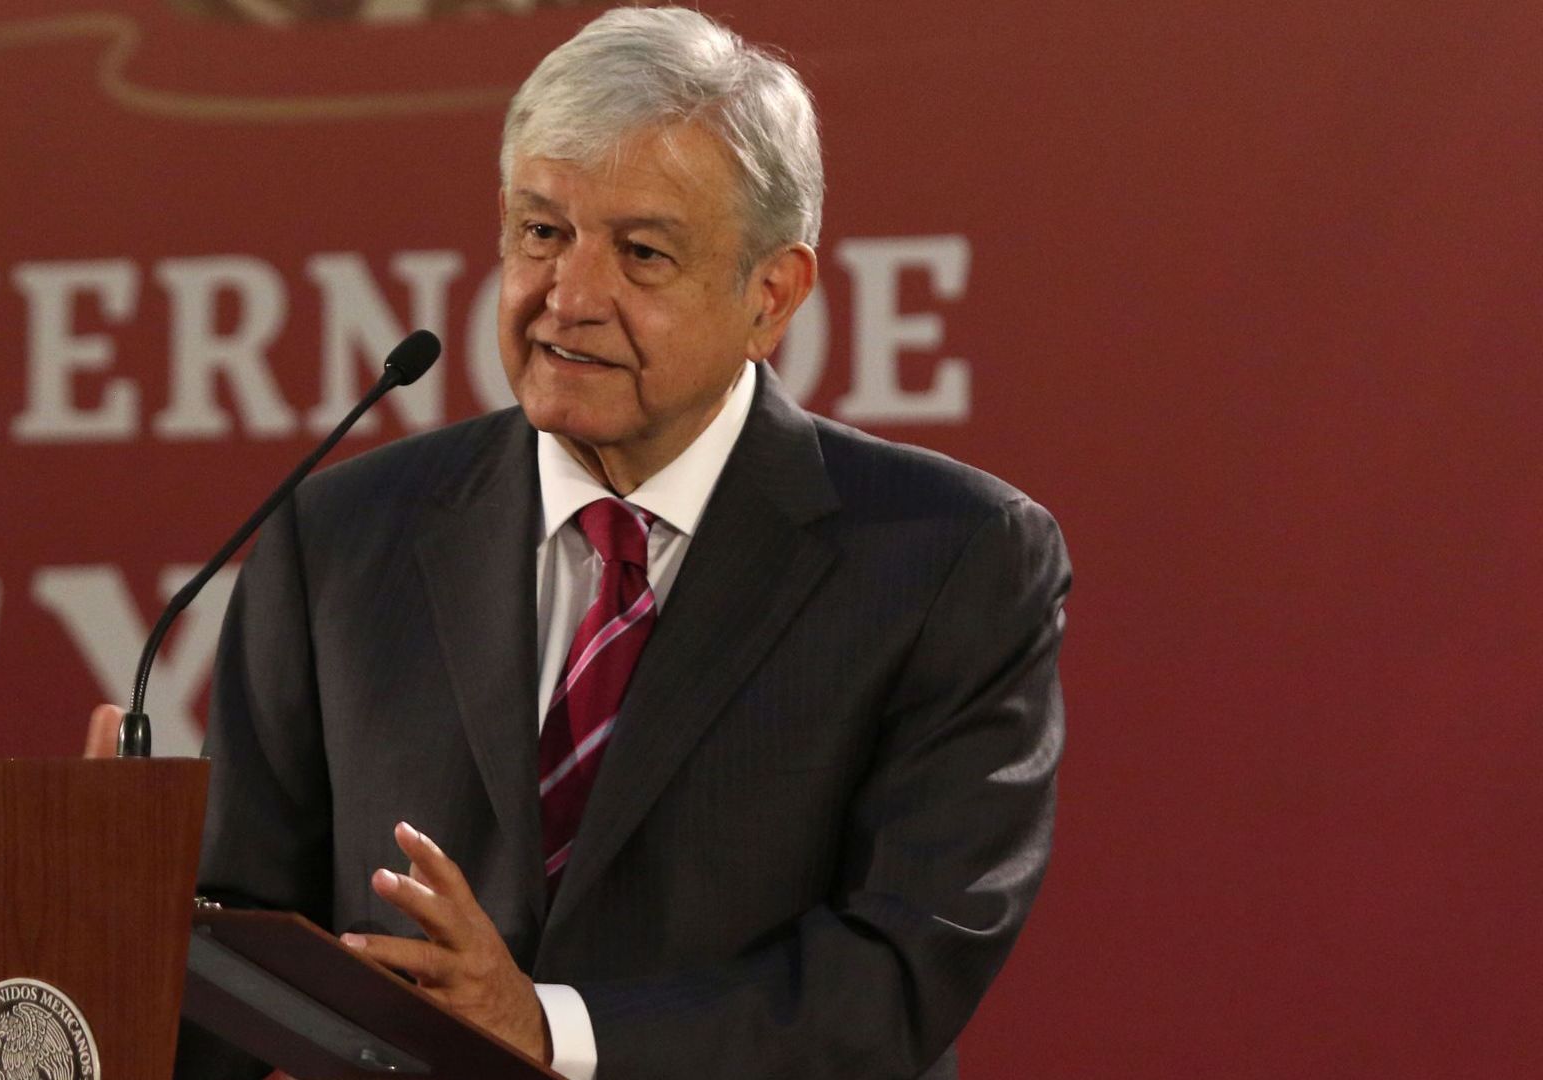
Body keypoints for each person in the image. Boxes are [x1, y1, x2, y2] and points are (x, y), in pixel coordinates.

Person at [89, 7, 1071, 1078]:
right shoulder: (339, 540)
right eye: (542, 233)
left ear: (771, 295)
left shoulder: (946, 560)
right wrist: (121, 915)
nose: (569, 297)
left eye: (642, 253)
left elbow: (898, 974)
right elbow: (245, 963)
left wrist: (550, 1030)